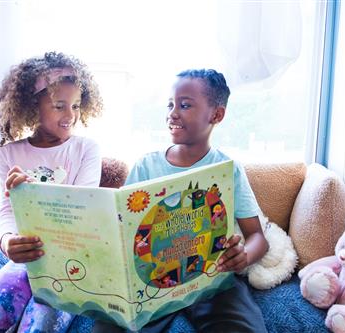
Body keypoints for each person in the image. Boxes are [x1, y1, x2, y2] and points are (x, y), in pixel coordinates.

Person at [93, 69, 269, 332]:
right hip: (152, 281)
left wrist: (243, 256)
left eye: (185, 105)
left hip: (212, 278)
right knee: (110, 326)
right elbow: (124, 230)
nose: (172, 113)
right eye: (170, 104)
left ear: (216, 115)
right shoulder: (146, 166)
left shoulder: (227, 169)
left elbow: (258, 237)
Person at [0, 51, 103, 333]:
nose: (70, 115)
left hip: (67, 264)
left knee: (40, 327)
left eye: (75, 106)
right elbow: (7, 211)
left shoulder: (85, 149)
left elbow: (82, 210)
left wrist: (33, 192)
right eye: (59, 105)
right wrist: (8, 241)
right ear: (32, 106)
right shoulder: (8, 153)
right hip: (24, 263)